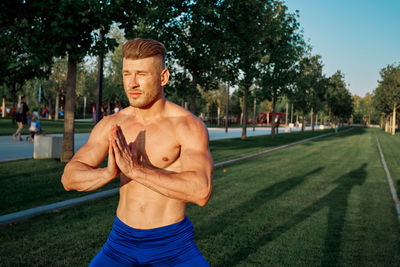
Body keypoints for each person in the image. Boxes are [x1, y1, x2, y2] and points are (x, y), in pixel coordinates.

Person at [61, 38, 213, 266]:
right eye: (126, 74)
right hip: (120, 243)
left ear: (163, 77)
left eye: (141, 74)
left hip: (173, 247)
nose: (131, 83)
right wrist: (107, 173)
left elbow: (201, 191)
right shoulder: (111, 124)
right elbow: (69, 178)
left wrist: (136, 171)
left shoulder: (186, 126)